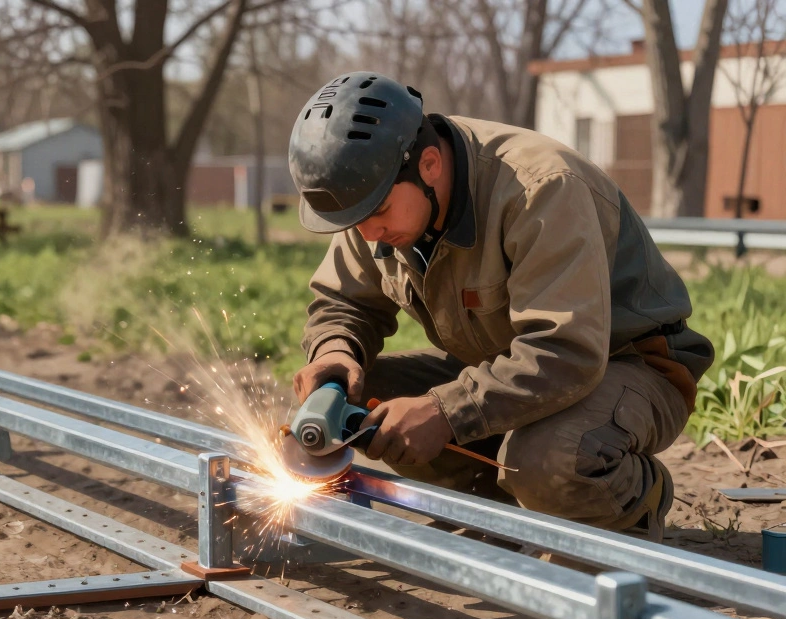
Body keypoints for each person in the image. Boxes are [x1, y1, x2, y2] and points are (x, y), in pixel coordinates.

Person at [289, 72, 713, 539]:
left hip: (628, 365)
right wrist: (334, 354)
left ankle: (635, 503)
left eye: (378, 215)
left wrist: (446, 411)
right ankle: (505, 511)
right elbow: (345, 302)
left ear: (429, 164)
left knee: (548, 459)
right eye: (355, 221)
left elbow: (566, 352)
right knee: (366, 402)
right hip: (509, 370)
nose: (367, 234)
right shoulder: (375, 191)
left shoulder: (541, 188)